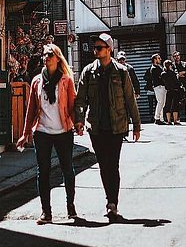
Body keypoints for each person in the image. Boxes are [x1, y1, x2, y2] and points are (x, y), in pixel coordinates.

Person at [74, 32, 141, 219]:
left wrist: (136, 124)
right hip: (96, 126)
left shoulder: (121, 71)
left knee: (113, 164)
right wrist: (78, 120)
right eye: (95, 47)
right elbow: (80, 99)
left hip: (116, 125)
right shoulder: (88, 71)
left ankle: (113, 202)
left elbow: (130, 99)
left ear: (109, 49)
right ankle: (109, 199)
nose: (96, 50)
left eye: (99, 47)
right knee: (104, 165)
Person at [17, 44, 77, 225]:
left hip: (63, 131)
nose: (46, 57)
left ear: (58, 57)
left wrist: (78, 123)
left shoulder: (66, 80)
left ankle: (70, 206)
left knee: (67, 168)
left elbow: (72, 106)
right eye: (44, 55)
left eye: (50, 54)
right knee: (42, 171)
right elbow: (31, 109)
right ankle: (46, 211)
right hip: (42, 131)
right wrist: (25, 133)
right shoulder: (36, 81)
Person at [146, 53, 166, 125]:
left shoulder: (158, 67)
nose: (160, 59)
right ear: (155, 59)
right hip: (158, 87)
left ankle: (161, 118)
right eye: (158, 58)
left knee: (162, 103)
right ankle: (157, 118)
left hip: (161, 86)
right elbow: (161, 77)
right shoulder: (154, 68)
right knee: (160, 102)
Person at [172, 51, 186, 122]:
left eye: (178, 55)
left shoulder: (185, 64)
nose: (177, 57)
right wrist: (179, 74)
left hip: (185, 85)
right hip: (177, 86)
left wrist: (183, 73)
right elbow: (173, 74)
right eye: (175, 56)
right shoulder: (172, 65)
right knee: (177, 102)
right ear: (173, 57)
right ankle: (178, 118)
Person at [162, 59, 181, 124]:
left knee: (168, 105)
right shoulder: (173, 73)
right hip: (175, 90)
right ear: (170, 65)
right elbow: (176, 82)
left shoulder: (163, 74)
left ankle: (169, 120)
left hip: (168, 91)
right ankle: (175, 120)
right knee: (175, 105)